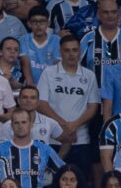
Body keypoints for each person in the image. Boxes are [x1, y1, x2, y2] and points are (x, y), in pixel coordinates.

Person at [36, 35, 98, 169]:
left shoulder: (89, 75)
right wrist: (63, 126)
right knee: (52, 182)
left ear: (80, 52)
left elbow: (93, 106)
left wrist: (74, 125)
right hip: (53, 138)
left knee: (80, 181)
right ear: (60, 52)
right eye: (67, 50)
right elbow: (41, 104)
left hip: (81, 139)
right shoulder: (49, 72)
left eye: (75, 50)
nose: (71, 54)